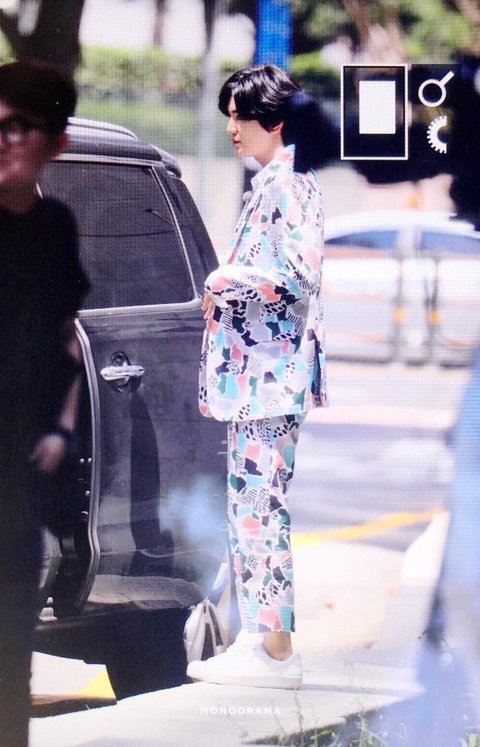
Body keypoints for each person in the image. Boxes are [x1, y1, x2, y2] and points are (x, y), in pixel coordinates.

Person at [187, 63, 328, 689]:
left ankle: (274, 651)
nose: (232, 128)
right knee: (251, 507)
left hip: (270, 380)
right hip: (260, 380)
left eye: (239, 116)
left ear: (272, 120)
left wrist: (226, 279)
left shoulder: (289, 185)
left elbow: (300, 274)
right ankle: (260, 640)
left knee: (259, 508)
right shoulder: (274, 182)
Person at [0, 60, 88, 746]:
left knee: (10, 657)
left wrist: (61, 427)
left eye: (17, 127)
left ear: (55, 144)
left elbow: (66, 339)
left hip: (19, 479)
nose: (1, 139)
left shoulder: (55, 227)